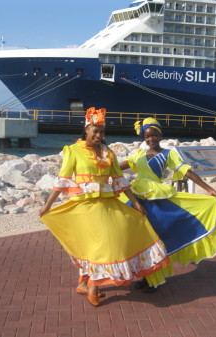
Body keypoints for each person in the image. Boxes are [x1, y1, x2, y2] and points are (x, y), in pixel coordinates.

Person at [39, 108, 169, 307]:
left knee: (103, 242)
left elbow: (120, 180)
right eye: (95, 131)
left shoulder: (108, 154)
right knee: (96, 245)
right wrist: (47, 205)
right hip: (83, 207)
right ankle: (92, 285)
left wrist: (135, 203)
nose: (99, 135)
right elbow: (62, 180)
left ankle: (86, 282)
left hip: (107, 204)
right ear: (86, 131)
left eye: (102, 131)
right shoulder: (73, 151)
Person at [119, 117, 216, 291]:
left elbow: (187, 172)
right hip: (136, 198)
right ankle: (146, 277)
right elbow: (118, 168)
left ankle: (154, 280)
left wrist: (208, 189)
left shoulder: (168, 154)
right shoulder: (138, 155)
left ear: (160, 135)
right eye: (147, 136)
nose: (151, 139)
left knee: (154, 239)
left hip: (157, 200)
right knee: (139, 238)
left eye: (154, 135)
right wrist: (100, 168)